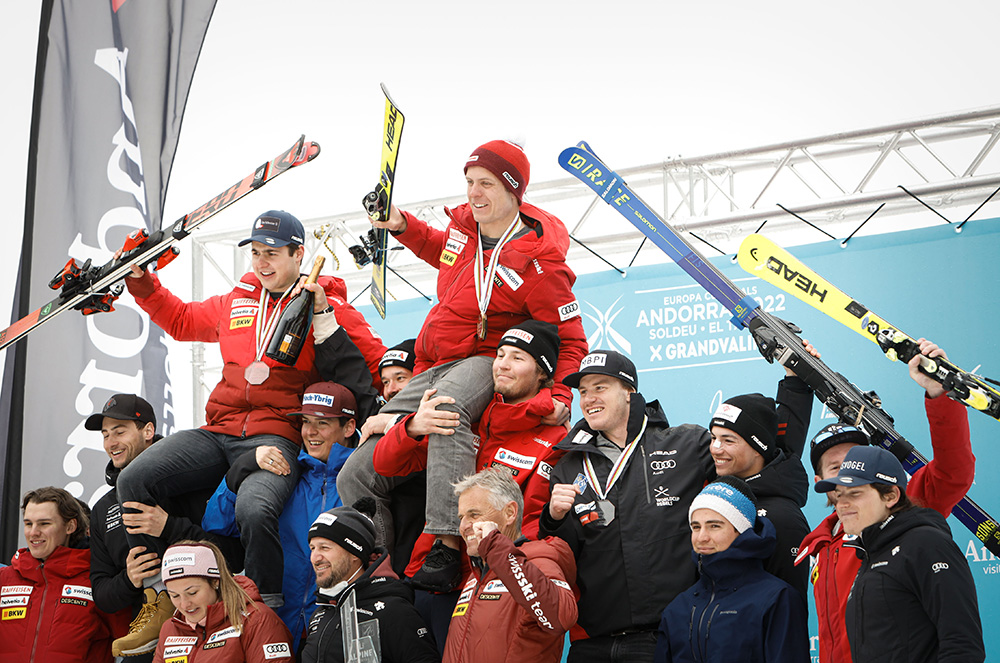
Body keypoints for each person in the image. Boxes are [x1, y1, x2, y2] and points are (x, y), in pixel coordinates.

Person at [339, 140, 589, 592]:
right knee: (354, 472)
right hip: (432, 361)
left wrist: (561, 395)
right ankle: (375, 570)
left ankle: (446, 543)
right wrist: (401, 224)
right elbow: (441, 250)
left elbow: (571, 340)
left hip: (482, 358)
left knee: (448, 412)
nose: (474, 193)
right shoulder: (462, 227)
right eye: (470, 182)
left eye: (486, 184)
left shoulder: (540, 262)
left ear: (514, 191)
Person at [118, 209, 384, 623]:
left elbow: (372, 358)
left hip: (274, 434)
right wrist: (142, 282)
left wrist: (400, 402)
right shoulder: (234, 301)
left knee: (255, 512)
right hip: (218, 429)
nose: (262, 263)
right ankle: (159, 596)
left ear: (298, 254)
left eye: (272, 254)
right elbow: (182, 320)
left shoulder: (323, 305)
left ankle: (264, 610)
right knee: (133, 478)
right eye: (256, 253)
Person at [796, 339, 977, 663]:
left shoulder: (901, 508)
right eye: (836, 468)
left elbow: (953, 472)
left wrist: (939, 392)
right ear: (820, 481)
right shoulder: (820, 545)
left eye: (855, 461)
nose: (847, 473)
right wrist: (795, 376)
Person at [537, 350, 714, 662]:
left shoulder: (686, 444)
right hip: (590, 643)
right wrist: (553, 519)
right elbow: (565, 556)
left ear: (630, 392)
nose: (589, 399)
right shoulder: (568, 467)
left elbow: (753, 467)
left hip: (667, 636)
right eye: (583, 391)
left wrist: (795, 386)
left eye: (600, 387)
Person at [86, 393, 244, 659]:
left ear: (148, 431)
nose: (110, 443)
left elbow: (236, 557)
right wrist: (129, 579)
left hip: (213, 635)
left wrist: (169, 527)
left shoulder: (194, 483)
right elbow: (101, 594)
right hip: (145, 641)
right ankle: (157, 603)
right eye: (105, 435)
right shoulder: (103, 508)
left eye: (119, 432)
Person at [202, 381, 358, 650]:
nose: (310, 432)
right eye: (305, 422)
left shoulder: (360, 477)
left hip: (336, 631)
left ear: (349, 427)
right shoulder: (283, 472)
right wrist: (241, 468)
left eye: (322, 423)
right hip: (272, 627)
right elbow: (216, 524)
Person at [815, 445, 984, 662]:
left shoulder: (926, 544)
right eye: (839, 495)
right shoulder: (868, 554)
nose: (842, 504)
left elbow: (962, 646)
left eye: (854, 493)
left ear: (891, 496)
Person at [654, 477, 809, 663]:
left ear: (742, 530)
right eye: (696, 527)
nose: (702, 537)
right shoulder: (677, 608)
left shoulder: (777, 599)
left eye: (714, 526)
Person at [444, 469, 577, 663]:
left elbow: (561, 618)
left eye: (474, 514)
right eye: (461, 517)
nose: (464, 526)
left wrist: (497, 548)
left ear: (509, 513)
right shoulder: (476, 575)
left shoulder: (539, 559)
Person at [299, 503, 440, 663]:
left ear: (354, 553)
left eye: (324, 548)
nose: (315, 558)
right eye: (312, 548)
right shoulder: (321, 613)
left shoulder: (393, 611)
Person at [0, 487, 128, 662]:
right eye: (28, 523)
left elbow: (132, 643)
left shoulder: (97, 581)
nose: (33, 532)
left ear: (70, 526)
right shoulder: (4, 579)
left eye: (44, 524)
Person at [708, 390, 811, 596]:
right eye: (713, 438)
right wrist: (795, 383)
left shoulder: (782, 518)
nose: (716, 449)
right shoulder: (715, 495)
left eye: (728, 441)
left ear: (759, 449)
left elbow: (788, 608)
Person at [153, 540, 294, 662]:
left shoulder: (257, 620)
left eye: (192, 593)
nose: (184, 604)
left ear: (215, 582)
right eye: (174, 595)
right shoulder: (171, 628)